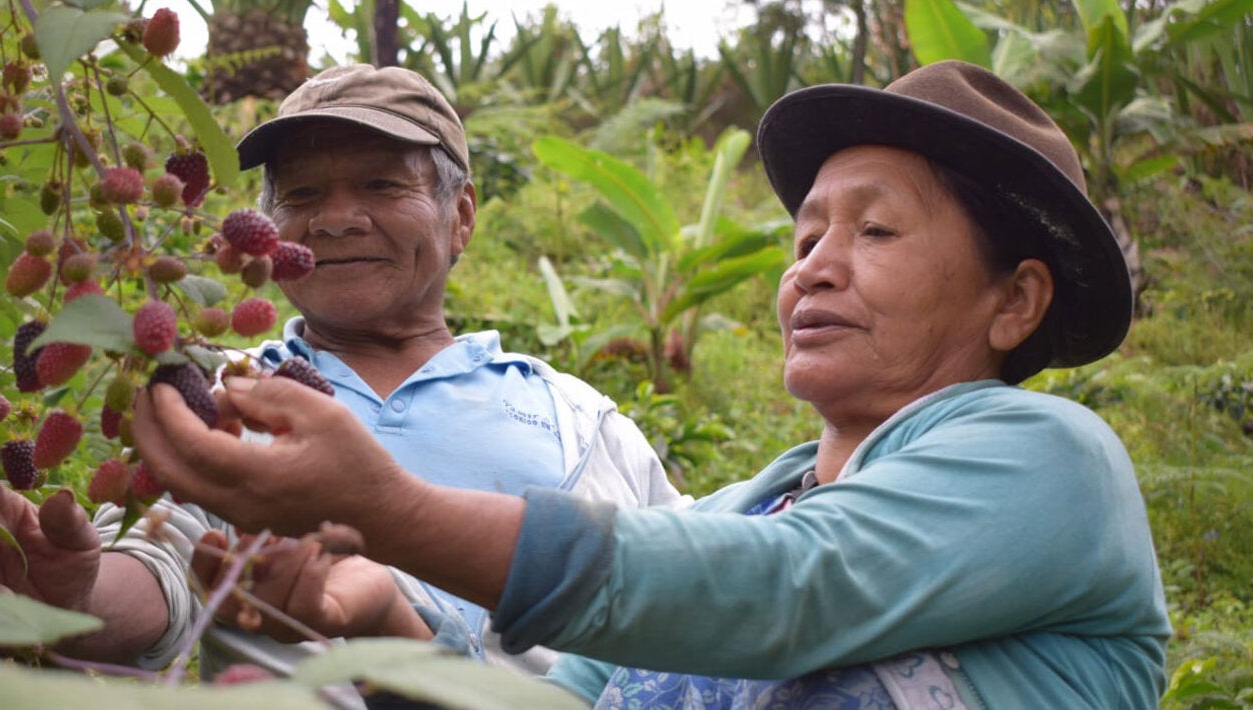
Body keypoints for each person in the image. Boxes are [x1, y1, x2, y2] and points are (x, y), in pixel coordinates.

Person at [130, 60, 1173, 708]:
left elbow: (781, 587)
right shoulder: (735, 506)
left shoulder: (1052, 460)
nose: (812, 263)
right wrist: (389, 624)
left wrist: (385, 509)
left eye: (876, 229)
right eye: (806, 233)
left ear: (1014, 302)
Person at [0, 64, 682, 679]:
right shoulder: (220, 391)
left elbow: (691, 605)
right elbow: (161, 563)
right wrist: (70, 596)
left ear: (462, 218)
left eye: (383, 186)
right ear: (264, 232)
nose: (335, 219)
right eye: (302, 194)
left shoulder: (578, 414)